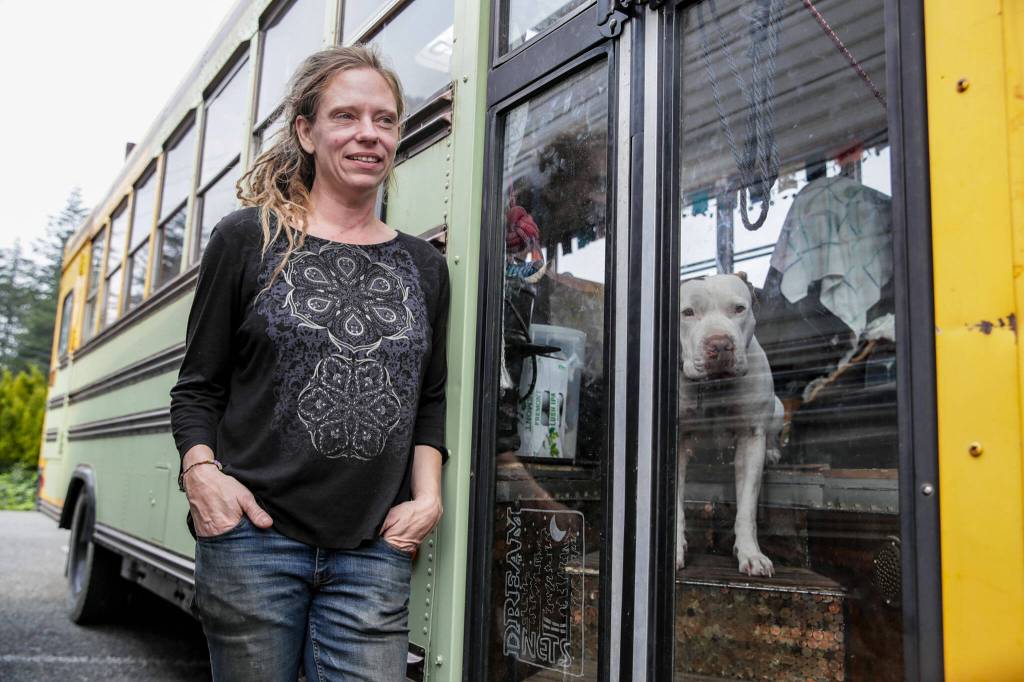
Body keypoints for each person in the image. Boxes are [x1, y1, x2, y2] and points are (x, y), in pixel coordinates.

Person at [169, 45, 449, 681]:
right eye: (346, 116)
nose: (367, 134)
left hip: (373, 549)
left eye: (384, 119)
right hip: (253, 541)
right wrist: (203, 476)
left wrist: (426, 499)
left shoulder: (424, 267)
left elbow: (428, 400)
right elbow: (197, 388)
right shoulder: (249, 238)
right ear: (306, 130)